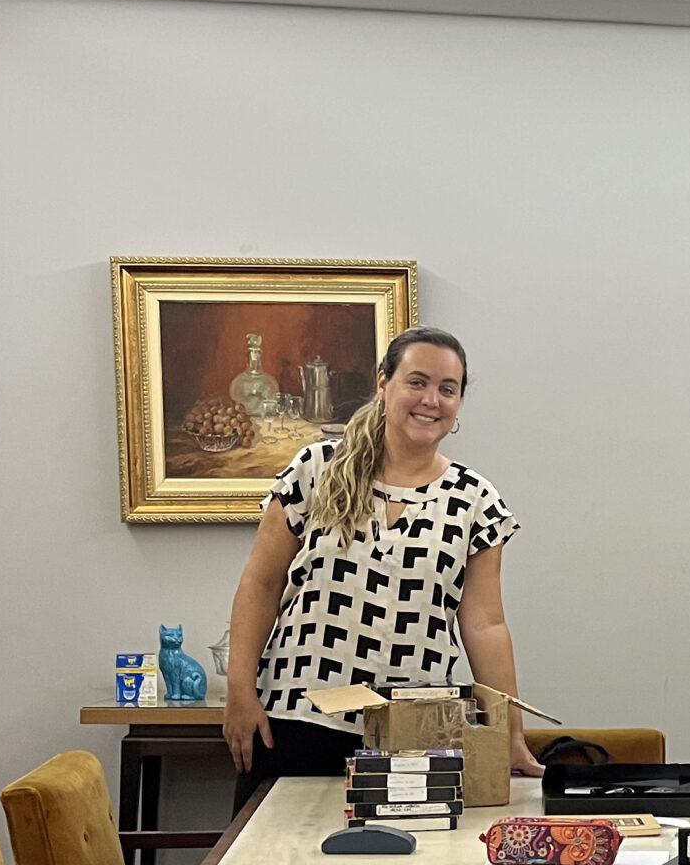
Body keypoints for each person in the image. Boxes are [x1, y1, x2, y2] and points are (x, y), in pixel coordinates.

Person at [221, 328, 538, 808]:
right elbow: (260, 584)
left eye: (447, 388)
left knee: (404, 859)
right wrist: (240, 692)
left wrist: (509, 733)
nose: (431, 400)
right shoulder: (316, 469)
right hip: (296, 719)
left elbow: (486, 626)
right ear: (384, 383)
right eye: (417, 382)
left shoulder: (475, 501)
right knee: (274, 853)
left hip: (411, 734)